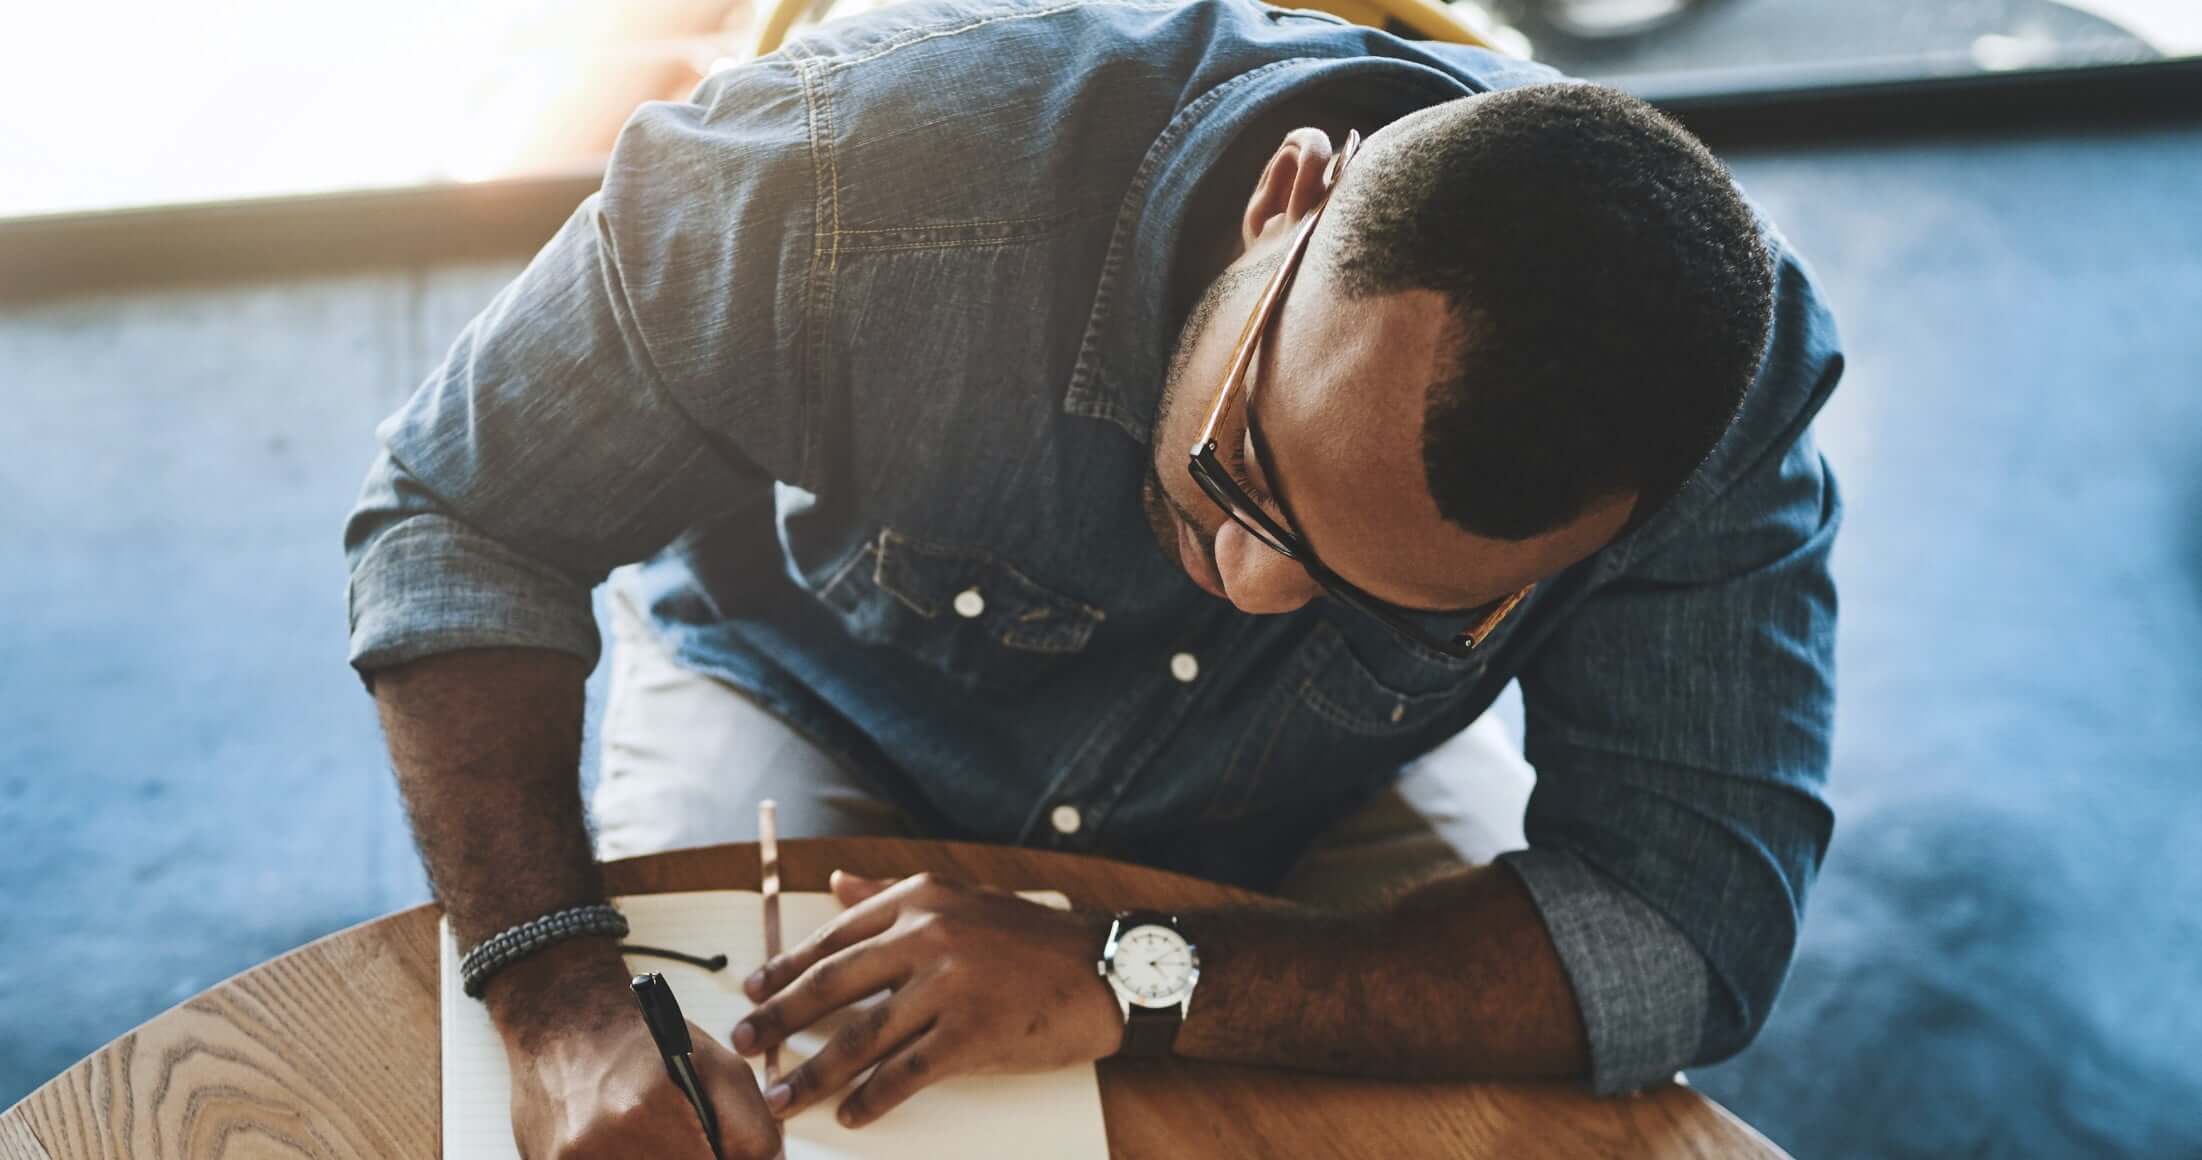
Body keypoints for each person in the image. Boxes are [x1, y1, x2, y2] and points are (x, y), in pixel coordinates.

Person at [346, 0, 1843, 1153]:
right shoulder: (854, 165)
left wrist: (1140, 973)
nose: (1254, 589)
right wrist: (553, 1006)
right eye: (1247, 475)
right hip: (810, 688)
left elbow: (1675, 937)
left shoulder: (1720, 394)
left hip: (1312, 792)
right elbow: (461, 516)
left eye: (1400, 600)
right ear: (1286, 198)